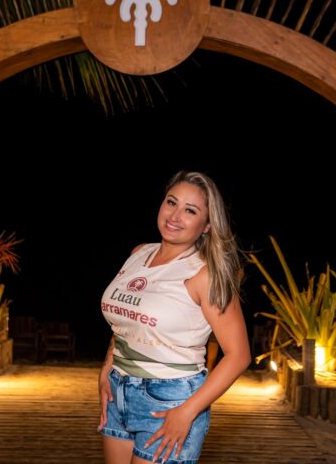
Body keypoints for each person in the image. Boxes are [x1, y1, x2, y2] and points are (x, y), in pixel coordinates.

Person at [98, 170, 251, 464]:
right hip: (118, 391)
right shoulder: (138, 253)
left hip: (171, 400)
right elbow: (127, 322)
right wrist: (107, 367)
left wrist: (187, 412)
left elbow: (239, 355)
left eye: (190, 211)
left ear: (207, 225)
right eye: (172, 202)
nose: (175, 216)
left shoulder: (205, 274)